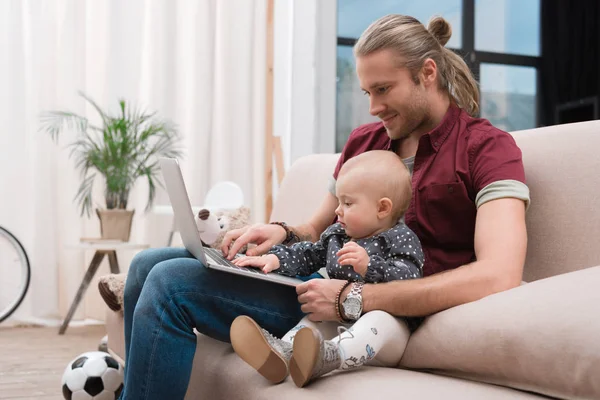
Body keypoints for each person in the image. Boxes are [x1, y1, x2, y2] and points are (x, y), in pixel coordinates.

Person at [119, 14, 529, 399]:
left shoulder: (487, 149)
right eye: (367, 92)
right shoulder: (364, 143)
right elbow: (318, 228)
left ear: (427, 73)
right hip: (319, 279)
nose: (373, 107)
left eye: (383, 90)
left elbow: (499, 273)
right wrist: (280, 233)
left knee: (169, 284)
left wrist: (352, 299)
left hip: (377, 304)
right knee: (145, 264)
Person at [229, 150, 424, 387]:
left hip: (388, 334)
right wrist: (275, 259)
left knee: (378, 320)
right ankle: (283, 353)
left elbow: (411, 280)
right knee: (314, 319)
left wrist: (369, 266)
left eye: (348, 203)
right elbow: (308, 254)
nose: (337, 210)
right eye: (339, 201)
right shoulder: (337, 236)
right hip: (342, 317)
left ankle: (330, 357)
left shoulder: (401, 238)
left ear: (382, 208)